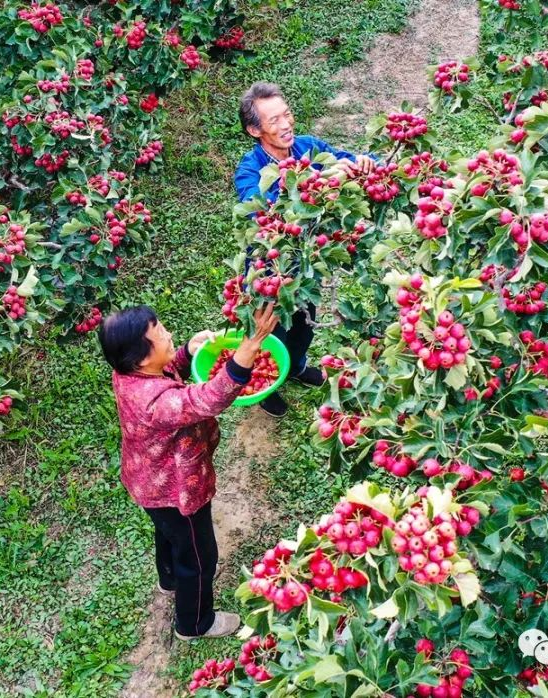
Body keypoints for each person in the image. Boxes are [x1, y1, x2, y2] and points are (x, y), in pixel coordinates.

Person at [100, 303, 279, 640]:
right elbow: (207, 399)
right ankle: (195, 623)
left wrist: (182, 354)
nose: (169, 334)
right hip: (177, 491)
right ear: (139, 359)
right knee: (199, 557)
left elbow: (166, 376)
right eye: (161, 335)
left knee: (170, 534)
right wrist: (248, 349)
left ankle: (168, 579)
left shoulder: (128, 373)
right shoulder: (154, 403)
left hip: (149, 484)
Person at [233, 82, 376, 418]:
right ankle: (264, 383)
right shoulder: (250, 169)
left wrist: (367, 163)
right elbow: (261, 209)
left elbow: (347, 161)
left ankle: (294, 367)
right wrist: (321, 180)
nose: (285, 125)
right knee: (267, 327)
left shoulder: (309, 147)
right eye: (274, 120)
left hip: (307, 258)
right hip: (269, 264)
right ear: (255, 129)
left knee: (303, 321)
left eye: (287, 114)